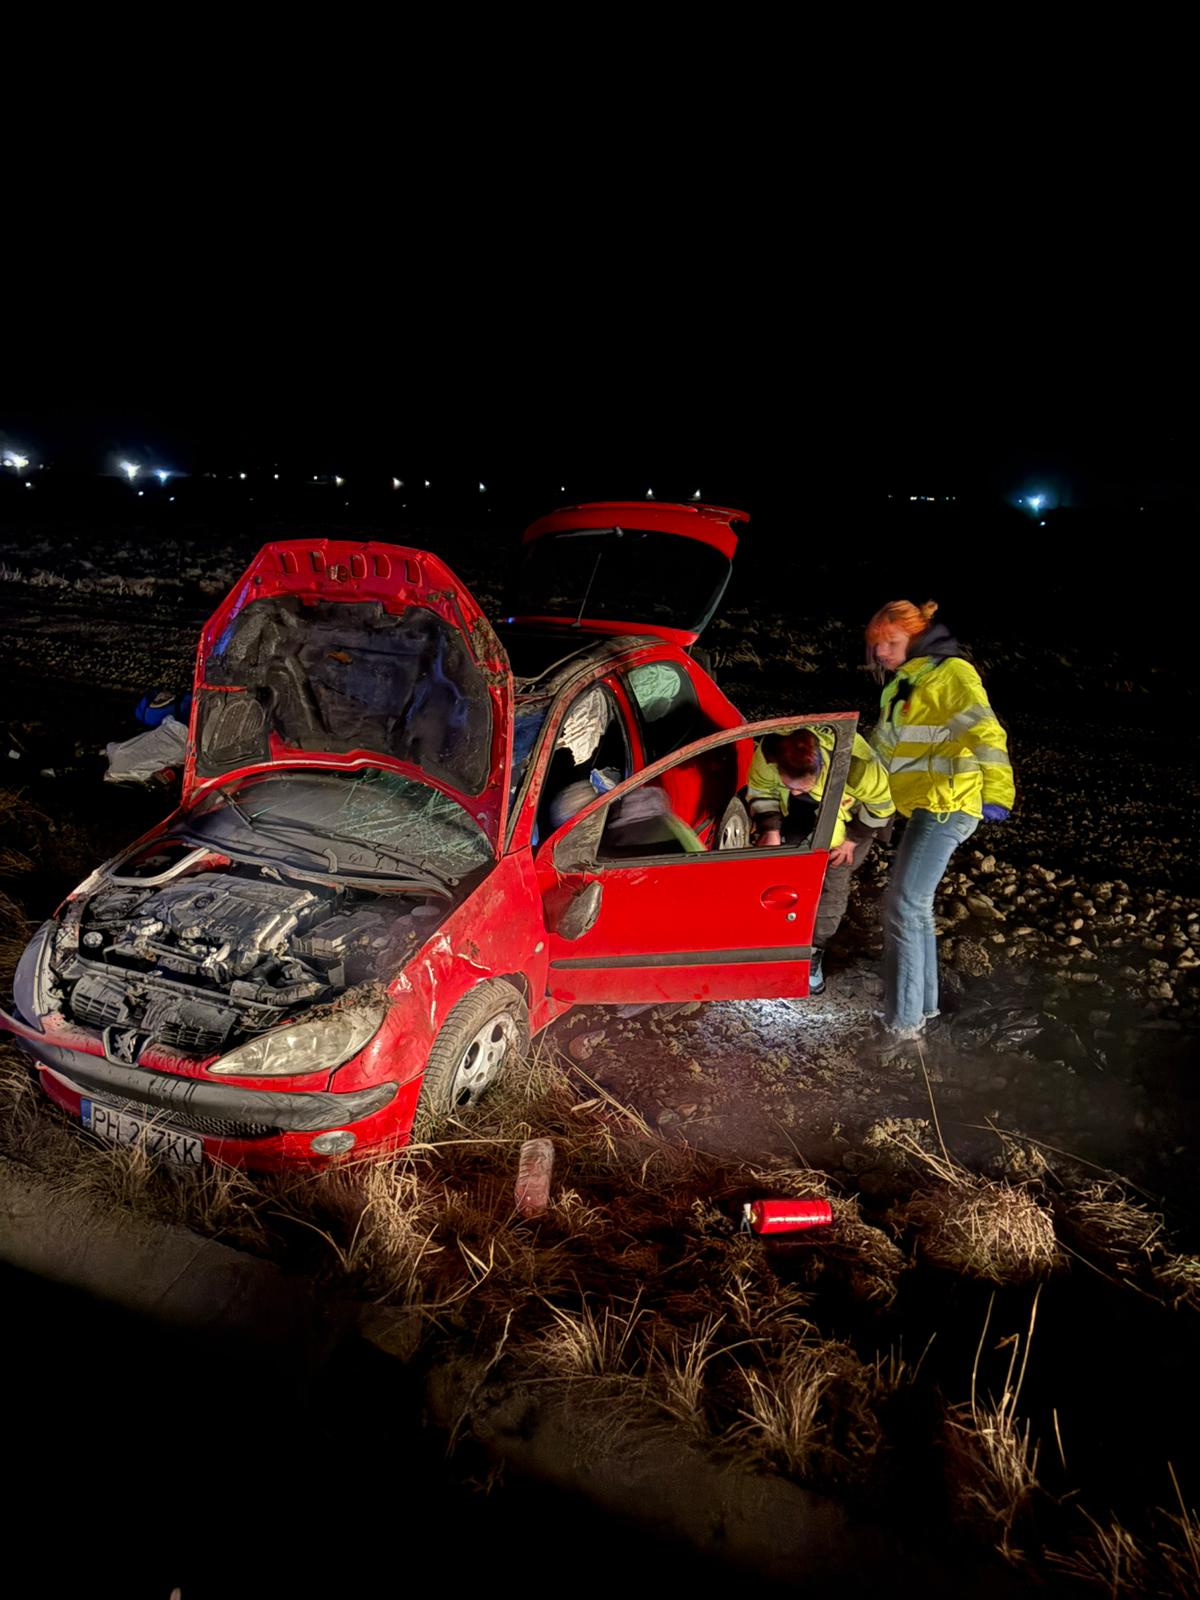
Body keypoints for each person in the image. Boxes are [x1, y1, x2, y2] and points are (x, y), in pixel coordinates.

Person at [865, 600, 1014, 1041]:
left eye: (889, 644)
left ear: (916, 637)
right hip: (926, 804)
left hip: (949, 803)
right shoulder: (900, 688)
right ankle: (922, 1010)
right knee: (915, 906)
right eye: (876, 647)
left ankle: (903, 1025)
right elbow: (882, 749)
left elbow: (985, 731)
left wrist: (998, 792)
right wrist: (853, 789)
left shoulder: (952, 674)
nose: (881, 654)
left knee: (904, 904)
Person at [747, 726, 895, 993]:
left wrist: (853, 839)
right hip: (802, 814)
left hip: (852, 821)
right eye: (787, 785)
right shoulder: (769, 753)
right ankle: (779, 938)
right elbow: (760, 789)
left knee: (834, 880)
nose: (792, 791)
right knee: (783, 867)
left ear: (820, 771)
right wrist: (770, 828)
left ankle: (814, 949)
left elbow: (882, 807)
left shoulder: (857, 769)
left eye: (800, 786)